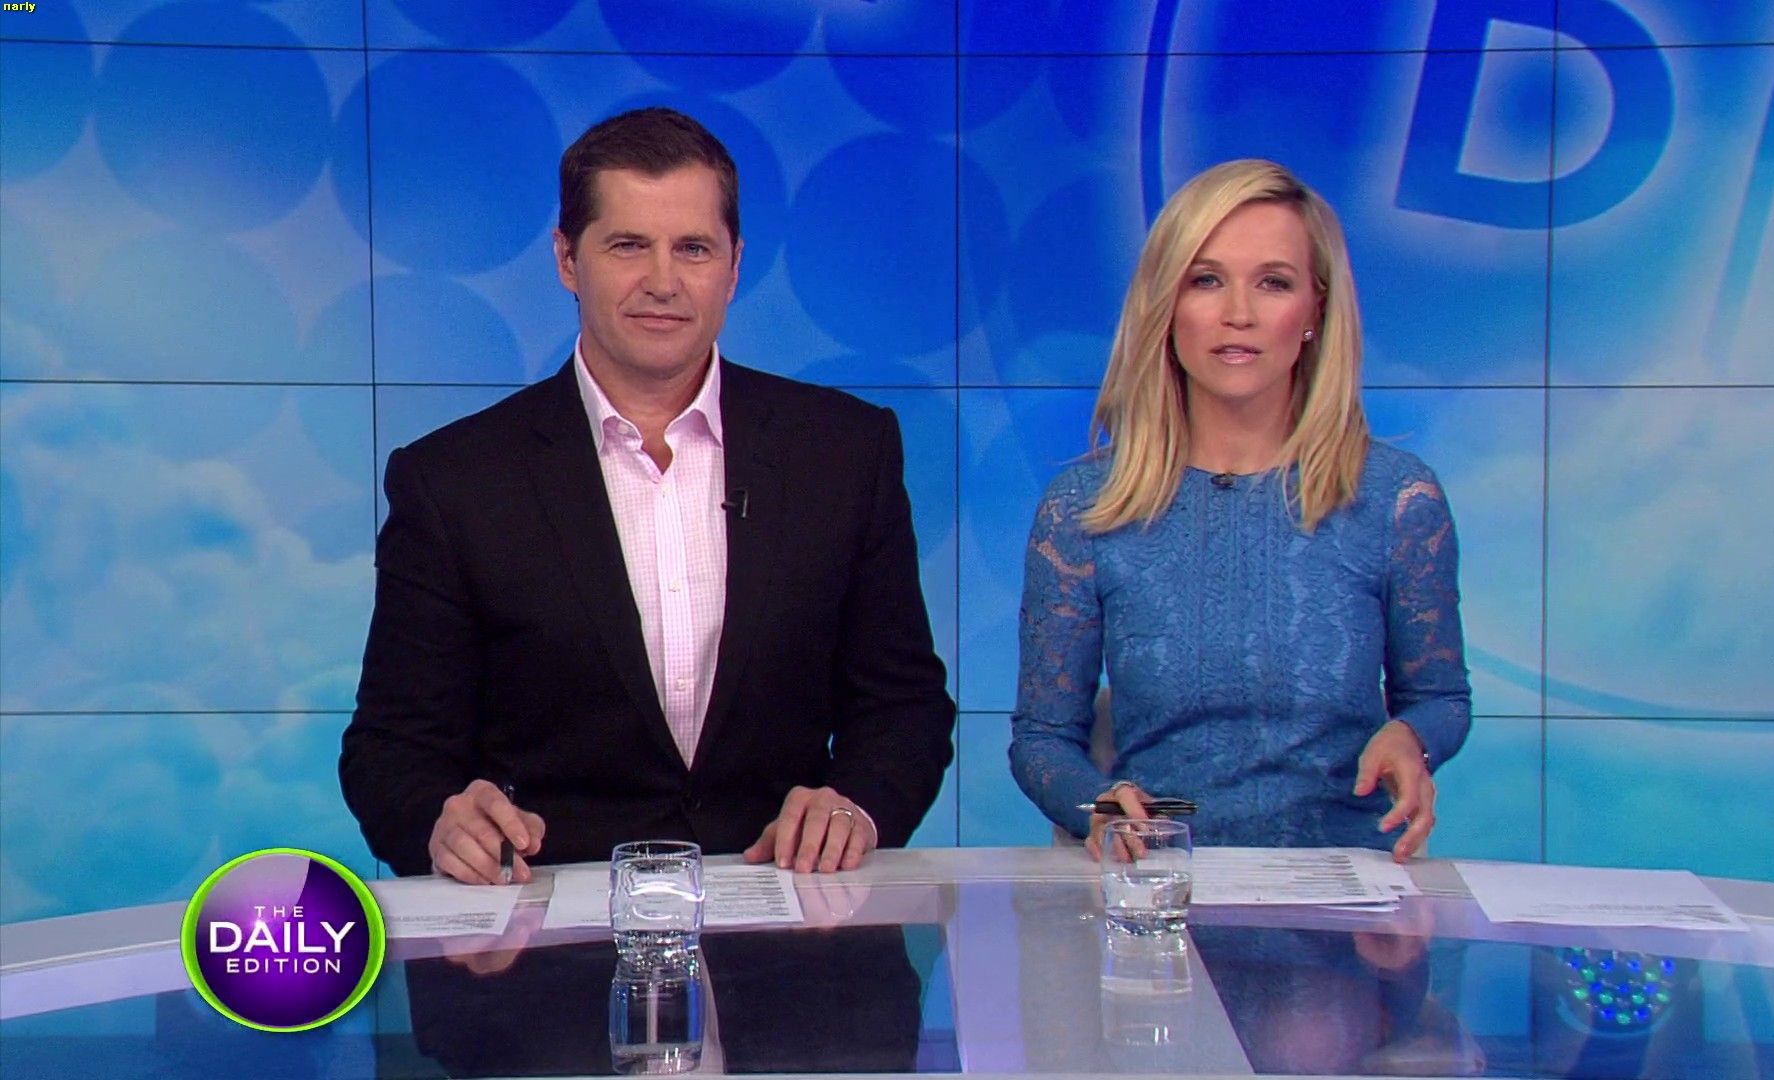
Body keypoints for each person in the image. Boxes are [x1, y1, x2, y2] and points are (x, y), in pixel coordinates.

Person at [340, 108, 954, 883]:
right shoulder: (453, 480)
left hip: (793, 913)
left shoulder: (845, 451)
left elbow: (903, 708)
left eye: (693, 248)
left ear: (734, 265)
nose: (663, 282)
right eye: (628, 245)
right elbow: (392, 750)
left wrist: (857, 808)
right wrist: (441, 821)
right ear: (568, 259)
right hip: (544, 928)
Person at [1007, 159, 1469, 861]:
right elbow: (1043, 740)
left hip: (1345, 884)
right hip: (1163, 882)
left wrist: (1412, 738)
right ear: (1166, 303)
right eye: (1206, 280)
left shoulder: (1397, 499)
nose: (1239, 314)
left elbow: (1440, 698)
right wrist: (1097, 805)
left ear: (1315, 310)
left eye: (1273, 283)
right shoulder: (1082, 509)